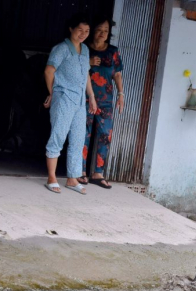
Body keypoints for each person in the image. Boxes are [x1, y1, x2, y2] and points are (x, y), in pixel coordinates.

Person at [44, 14, 98, 194]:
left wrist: (91, 96)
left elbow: (86, 76)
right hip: (64, 97)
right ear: (71, 29)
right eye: (80, 30)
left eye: (87, 31)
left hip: (80, 101)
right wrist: (53, 93)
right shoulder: (61, 49)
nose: (83, 34)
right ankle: (51, 177)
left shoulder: (85, 50)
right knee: (58, 135)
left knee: (77, 139)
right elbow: (49, 71)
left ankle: (72, 179)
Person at [77, 18, 124, 189]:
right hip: (85, 99)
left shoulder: (112, 51)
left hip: (106, 101)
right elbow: (75, 67)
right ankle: (80, 171)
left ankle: (98, 173)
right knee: (83, 134)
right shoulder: (83, 49)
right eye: (99, 29)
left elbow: (117, 74)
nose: (102, 33)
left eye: (105, 30)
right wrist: (88, 63)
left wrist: (121, 94)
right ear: (92, 31)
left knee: (105, 136)